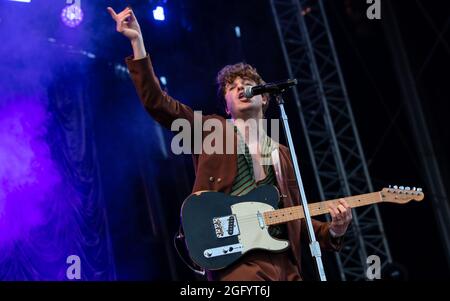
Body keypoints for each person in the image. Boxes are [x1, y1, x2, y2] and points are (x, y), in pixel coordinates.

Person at [107, 6, 352, 281]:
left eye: (247, 83)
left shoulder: (281, 153)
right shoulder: (212, 131)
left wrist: (334, 231)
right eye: (231, 86)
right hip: (236, 259)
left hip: (284, 263)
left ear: (264, 98)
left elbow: (296, 217)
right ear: (226, 105)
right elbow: (159, 104)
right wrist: (137, 42)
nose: (239, 88)